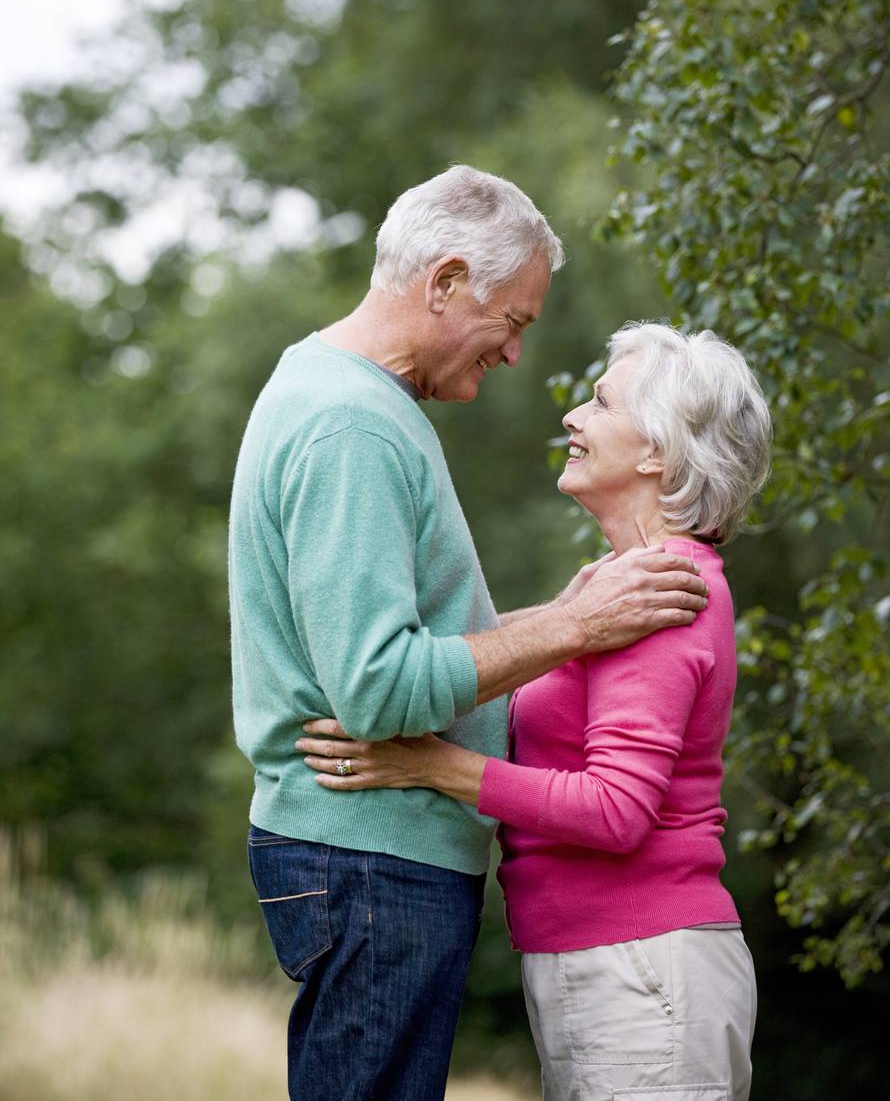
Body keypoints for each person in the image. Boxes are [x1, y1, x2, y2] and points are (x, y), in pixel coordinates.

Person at [229, 168, 709, 1101]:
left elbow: (415, 639)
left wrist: (568, 624)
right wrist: (577, 624)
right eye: (514, 321)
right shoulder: (353, 427)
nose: (518, 354)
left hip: (368, 860)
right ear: (445, 281)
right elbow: (378, 687)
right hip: (372, 859)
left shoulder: (342, 394)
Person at [297, 320, 771, 1101]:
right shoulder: (616, 587)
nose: (573, 417)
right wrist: (390, 663)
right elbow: (509, 651)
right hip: (612, 963)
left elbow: (615, 809)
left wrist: (430, 765)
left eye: (601, 402)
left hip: (642, 967)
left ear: (658, 451)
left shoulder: (663, 594)